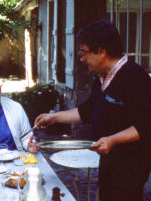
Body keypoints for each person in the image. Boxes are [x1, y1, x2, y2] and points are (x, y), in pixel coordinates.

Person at [35, 20, 151, 201]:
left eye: (84, 53)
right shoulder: (101, 79)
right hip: (108, 160)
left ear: (101, 52)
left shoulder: (135, 77)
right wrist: (54, 117)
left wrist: (113, 140)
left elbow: (146, 124)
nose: (81, 59)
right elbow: (87, 112)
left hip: (131, 165)